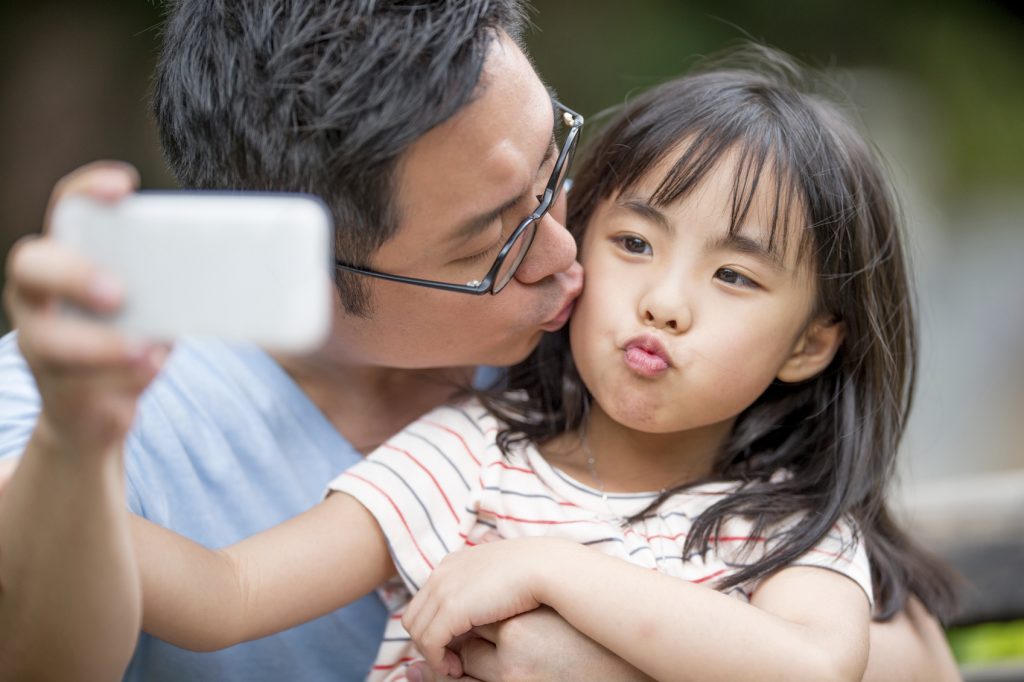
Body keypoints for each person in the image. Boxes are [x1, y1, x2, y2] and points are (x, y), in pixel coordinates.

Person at [0, 0, 960, 679]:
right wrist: (75, 445)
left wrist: (580, 632)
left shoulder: (687, 429)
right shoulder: (468, 449)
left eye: (556, 169)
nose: (567, 253)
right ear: (311, 271)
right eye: (491, 238)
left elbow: (887, 661)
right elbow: (160, 613)